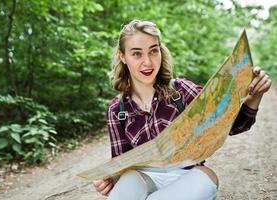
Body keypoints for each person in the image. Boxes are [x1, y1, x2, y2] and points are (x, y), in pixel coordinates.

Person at [93, 19, 272, 200]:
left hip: (190, 176)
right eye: (137, 54)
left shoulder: (181, 91)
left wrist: (255, 96)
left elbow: (232, 125)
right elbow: (121, 164)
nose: (147, 62)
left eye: (153, 51)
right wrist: (108, 181)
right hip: (143, 178)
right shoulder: (117, 109)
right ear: (123, 56)